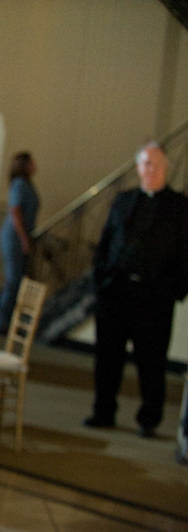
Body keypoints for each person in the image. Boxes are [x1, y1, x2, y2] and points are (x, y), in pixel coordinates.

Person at [85, 142, 188, 438]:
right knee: (107, 358)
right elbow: (105, 243)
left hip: (154, 299)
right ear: (138, 168)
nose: (150, 170)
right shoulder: (124, 199)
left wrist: (171, 291)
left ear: (166, 168)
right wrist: (101, 280)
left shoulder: (180, 207)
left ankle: (149, 419)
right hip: (116, 292)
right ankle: (103, 412)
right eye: (146, 164)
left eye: (156, 164)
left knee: (152, 363)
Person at [0, 152, 39, 334]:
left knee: (18, 281)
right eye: (32, 162)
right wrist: (24, 239)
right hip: (14, 237)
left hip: (21, 236)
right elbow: (15, 211)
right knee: (12, 280)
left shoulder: (27, 184)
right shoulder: (20, 184)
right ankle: (0, 323)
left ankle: (10, 321)